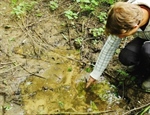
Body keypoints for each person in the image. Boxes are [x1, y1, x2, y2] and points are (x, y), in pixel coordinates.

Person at [86, 0, 150, 92]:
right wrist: (95, 74)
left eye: (122, 36)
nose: (119, 38)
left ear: (135, 27)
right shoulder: (126, 14)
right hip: (145, 37)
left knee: (147, 51)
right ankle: (141, 66)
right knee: (126, 57)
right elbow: (110, 47)